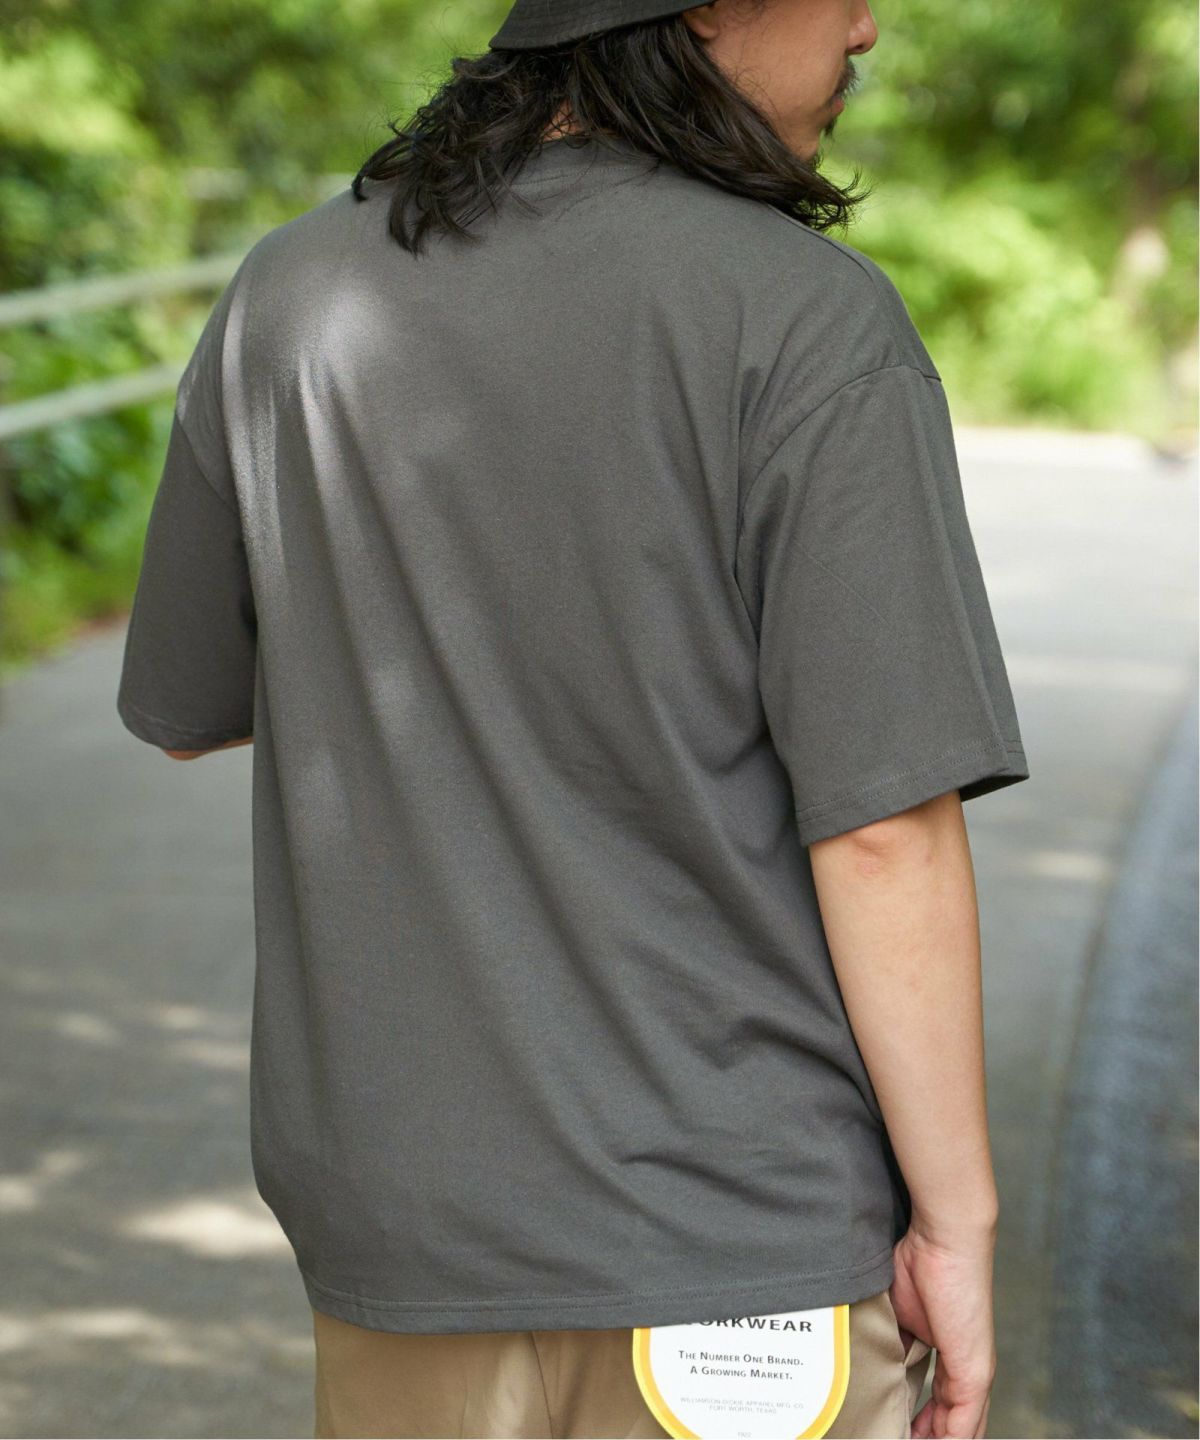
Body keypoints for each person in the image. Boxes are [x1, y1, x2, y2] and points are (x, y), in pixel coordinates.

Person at [115, 0, 1031, 1435]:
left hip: (403, 1233)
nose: (867, 25)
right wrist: (957, 1224)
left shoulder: (288, 295)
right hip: (741, 1242)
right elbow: (882, 836)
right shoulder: (807, 320)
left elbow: (190, 707)